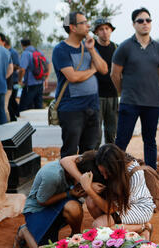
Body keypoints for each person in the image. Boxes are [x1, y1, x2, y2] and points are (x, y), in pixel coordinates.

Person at [13, 151, 106, 248]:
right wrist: (69, 193)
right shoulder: (53, 175)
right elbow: (42, 201)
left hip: (59, 205)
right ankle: (24, 230)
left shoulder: (83, 164)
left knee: (73, 207)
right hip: (38, 210)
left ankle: (75, 235)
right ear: (79, 174)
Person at [60, 144, 155, 241]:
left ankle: (142, 227)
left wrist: (88, 188)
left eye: (107, 173)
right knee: (90, 201)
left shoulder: (134, 174)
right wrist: (83, 180)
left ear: (115, 168)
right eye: (102, 173)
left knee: (99, 227)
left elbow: (111, 209)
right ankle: (116, 227)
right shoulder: (103, 157)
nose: (105, 177)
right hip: (121, 206)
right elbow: (65, 160)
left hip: (138, 208)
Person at [111, 7, 159, 170]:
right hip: (130, 102)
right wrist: (125, 92)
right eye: (140, 21)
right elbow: (114, 75)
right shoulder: (125, 47)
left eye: (148, 20)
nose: (145, 24)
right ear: (133, 24)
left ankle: (151, 175)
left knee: (150, 141)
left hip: (152, 103)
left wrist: (149, 88)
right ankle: (116, 174)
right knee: (121, 140)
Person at [52, 11, 108, 158]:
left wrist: (91, 50)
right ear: (73, 27)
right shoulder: (60, 50)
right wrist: (91, 70)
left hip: (92, 107)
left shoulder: (88, 46)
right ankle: (68, 181)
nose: (88, 25)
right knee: (70, 152)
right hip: (71, 109)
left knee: (90, 152)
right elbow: (73, 77)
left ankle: (85, 181)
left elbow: (103, 69)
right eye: (83, 23)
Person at [93, 17, 119, 149]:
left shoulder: (116, 48)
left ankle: (110, 162)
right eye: (101, 29)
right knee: (95, 134)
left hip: (113, 95)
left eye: (107, 29)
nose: (104, 32)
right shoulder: (92, 48)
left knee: (112, 134)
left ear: (111, 30)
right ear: (96, 32)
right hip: (96, 96)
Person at [17, 39, 51, 111]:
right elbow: (48, 63)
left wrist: (20, 80)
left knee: (23, 106)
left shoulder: (26, 53)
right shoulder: (39, 52)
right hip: (40, 82)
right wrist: (47, 77)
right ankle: (38, 122)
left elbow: (22, 69)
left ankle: (24, 122)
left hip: (30, 84)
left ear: (22, 45)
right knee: (38, 105)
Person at [0, 33, 20, 122]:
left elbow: (15, 67)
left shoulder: (9, 53)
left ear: (4, 42)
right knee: (3, 107)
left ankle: (9, 124)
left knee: (4, 106)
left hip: (9, 83)